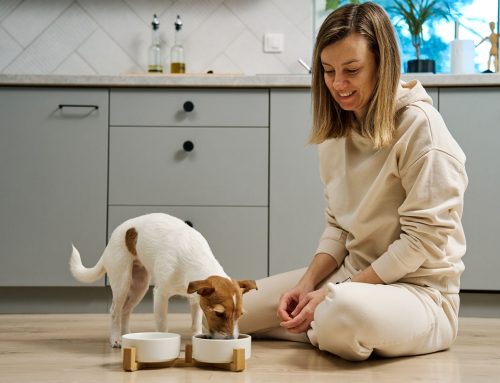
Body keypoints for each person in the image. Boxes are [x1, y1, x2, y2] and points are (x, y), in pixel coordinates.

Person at [238, 2, 468, 361]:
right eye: (328, 71)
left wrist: (336, 292)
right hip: (352, 279)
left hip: (420, 293)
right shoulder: (338, 129)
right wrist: (307, 284)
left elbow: (422, 241)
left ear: (383, 64)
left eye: (352, 70)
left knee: (339, 313)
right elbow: (338, 226)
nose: (338, 84)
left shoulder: (421, 128)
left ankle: (327, 322)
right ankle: (323, 324)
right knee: (235, 309)